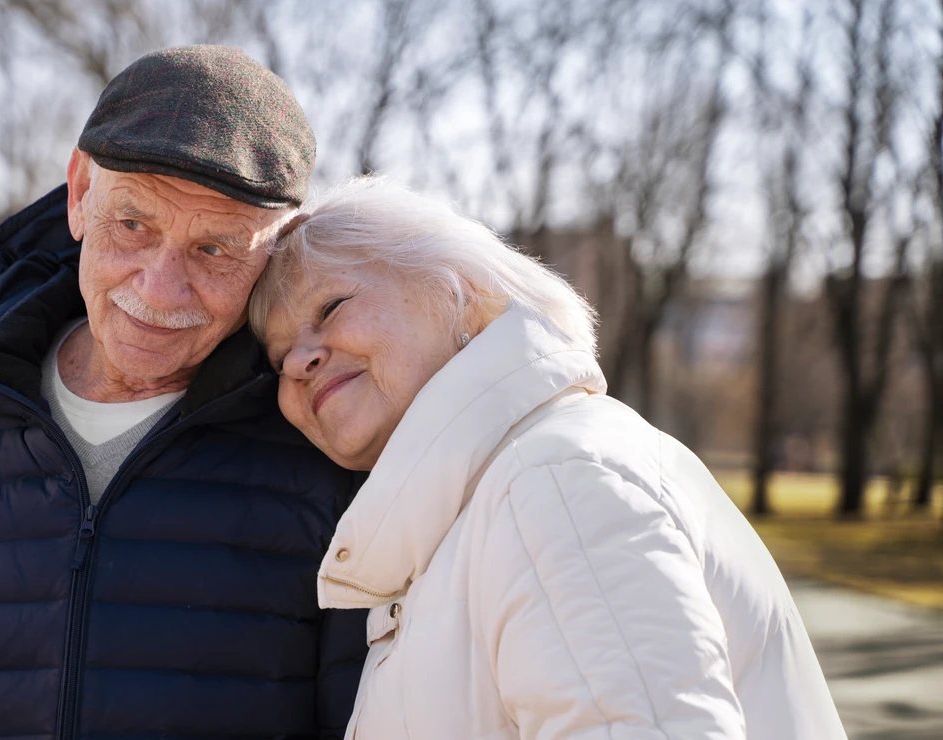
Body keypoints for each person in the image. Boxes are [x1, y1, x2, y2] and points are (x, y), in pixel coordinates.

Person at [0, 46, 367, 740]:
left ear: (279, 248)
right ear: (81, 191)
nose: (159, 289)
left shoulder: (328, 458)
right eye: (133, 224)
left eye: (214, 250)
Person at [251, 176, 847, 739]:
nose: (301, 361)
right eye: (279, 359)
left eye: (330, 309)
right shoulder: (471, 510)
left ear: (461, 292)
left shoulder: (553, 482)